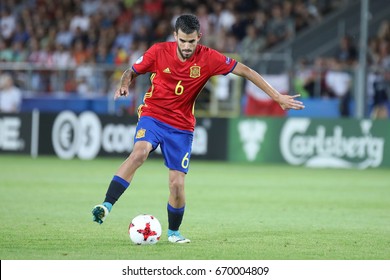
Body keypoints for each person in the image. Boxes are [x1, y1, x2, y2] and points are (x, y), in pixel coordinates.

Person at [92, 14, 304, 243]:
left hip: (181, 127)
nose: (186, 46)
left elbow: (247, 71)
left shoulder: (209, 58)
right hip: (152, 115)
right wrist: (125, 83)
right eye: (182, 41)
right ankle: (106, 205)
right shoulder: (158, 51)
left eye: (191, 42)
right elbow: (131, 71)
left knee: (176, 184)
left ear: (199, 38)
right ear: (175, 36)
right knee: (140, 152)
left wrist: (277, 97)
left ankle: (173, 232)